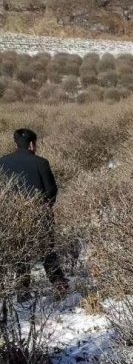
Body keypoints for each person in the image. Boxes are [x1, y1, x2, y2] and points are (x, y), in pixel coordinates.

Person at [0, 127, 68, 296]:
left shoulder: (2, 162)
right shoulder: (41, 162)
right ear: (31, 144)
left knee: (20, 254)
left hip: (13, 216)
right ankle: (59, 285)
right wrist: (44, 207)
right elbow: (51, 190)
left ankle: (23, 291)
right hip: (40, 213)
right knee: (48, 250)